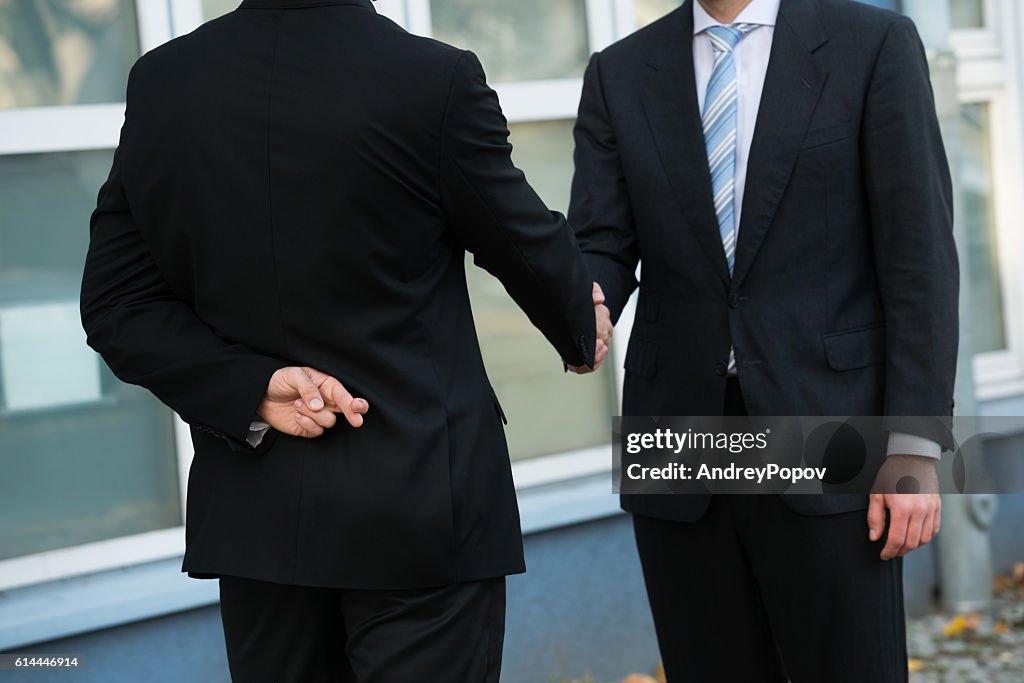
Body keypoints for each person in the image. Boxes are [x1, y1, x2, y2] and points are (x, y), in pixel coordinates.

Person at [79, 0, 611, 680]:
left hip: (258, 522)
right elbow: (517, 233)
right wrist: (576, 318)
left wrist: (253, 389)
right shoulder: (431, 79)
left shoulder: (163, 81)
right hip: (419, 505)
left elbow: (116, 303)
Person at [568, 0, 959, 680]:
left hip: (829, 426)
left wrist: (914, 446)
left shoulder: (873, 44)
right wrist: (582, 308)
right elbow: (601, 240)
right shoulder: (620, 72)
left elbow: (917, 256)